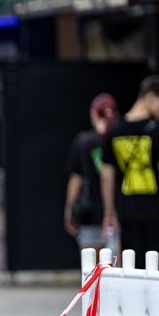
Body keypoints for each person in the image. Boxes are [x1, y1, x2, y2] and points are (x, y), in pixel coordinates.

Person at [100, 76, 159, 259]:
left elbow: (107, 177)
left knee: (133, 267)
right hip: (157, 214)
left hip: (127, 214)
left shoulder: (114, 132)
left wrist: (109, 212)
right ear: (150, 97)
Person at [63, 93, 119, 251]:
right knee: (115, 262)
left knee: (91, 262)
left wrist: (69, 209)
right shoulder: (118, 139)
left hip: (90, 212)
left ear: (94, 114)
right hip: (117, 211)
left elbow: (76, 179)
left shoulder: (83, 141)